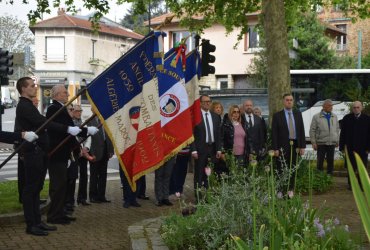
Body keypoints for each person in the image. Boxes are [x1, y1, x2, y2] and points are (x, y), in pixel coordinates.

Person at [15, 77, 81, 235]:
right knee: (31, 189)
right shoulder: (24, 106)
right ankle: (31, 224)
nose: (34, 87)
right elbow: (43, 122)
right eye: (31, 86)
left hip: (39, 152)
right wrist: (67, 129)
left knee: (37, 188)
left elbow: (42, 122)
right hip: (32, 152)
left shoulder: (28, 105)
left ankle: (38, 221)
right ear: (23, 89)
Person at [46, 84, 98, 225]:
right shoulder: (53, 109)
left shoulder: (60, 108)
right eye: (64, 93)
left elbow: (71, 131)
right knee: (58, 186)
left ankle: (60, 213)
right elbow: (65, 130)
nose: (67, 95)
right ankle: (53, 215)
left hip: (64, 154)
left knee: (63, 186)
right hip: (57, 153)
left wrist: (85, 131)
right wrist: (86, 131)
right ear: (56, 94)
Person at [272, 93, 306, 188]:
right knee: (281, 168)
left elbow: (301, 130)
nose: (289, 102)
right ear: (283, 102)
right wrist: (275, 148)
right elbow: (274, 133)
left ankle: (290, 189)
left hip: (295, 145)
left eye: (291, 100)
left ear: (293, 102)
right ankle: (280, 189)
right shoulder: (277, 116)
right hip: (282, 146)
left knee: (293, 168)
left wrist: (302, 146)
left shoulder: (298, 114)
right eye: (287, 100)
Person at [191, 95, 222, 191]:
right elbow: (192, 134)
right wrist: (193, 150)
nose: (207, 103)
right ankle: (199, 197)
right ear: (200, 103)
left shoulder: (215, 116)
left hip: (212, 149)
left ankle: (209, 196)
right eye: (205, 101)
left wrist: (219, 149)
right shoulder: (195, 116)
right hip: (200, 149)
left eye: (209, 101)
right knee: (199, 174)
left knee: (210, 174)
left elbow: (218, 134)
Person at [339, 101, 370, 189]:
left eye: (358, 107)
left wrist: (368, 148)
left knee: (362, 167)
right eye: (354, 107)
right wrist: (342, 147)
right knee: (351, 167)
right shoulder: (347, 118)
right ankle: (351, 185)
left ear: (361, 108)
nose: (356, 109)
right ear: (352, 108)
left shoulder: (367, 119)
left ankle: (362, 184)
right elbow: (343, 133)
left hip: (363, 148)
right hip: (350, 148)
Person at [15, 96, 40, 204]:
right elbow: (17, 132)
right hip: (24, 149)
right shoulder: (23, 115)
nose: (36, 104)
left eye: (37, 102)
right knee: (24, 177)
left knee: (34, 178)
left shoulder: (35, 114)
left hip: (34, 150)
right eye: (34, 102)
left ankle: (35, 199)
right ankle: (24, 199)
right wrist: (20, 151)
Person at [86, 113, 114, 203]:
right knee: (94, 175)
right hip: (95, 152)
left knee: (103, 175)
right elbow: (89, 138)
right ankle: (93, 196)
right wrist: (91, 153)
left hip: (105, 152)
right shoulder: (89, 121)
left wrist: (110, 150)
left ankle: (101, 196)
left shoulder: (106, 119)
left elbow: (109, 136)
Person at [309, 99, 340, 175]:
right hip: (321, 143)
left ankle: (329, 177)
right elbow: (312, 130)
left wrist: (337, 140)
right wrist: (313, 143)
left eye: (332, 105)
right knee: (320, 161)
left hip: (331, 143)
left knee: (330, 161)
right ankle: (319, 177)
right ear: (324, 106)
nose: (331, 107)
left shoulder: (334, 116)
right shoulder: (316, 117)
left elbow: (337, 129)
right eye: (329, 105)